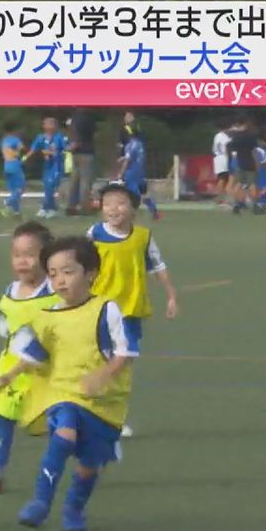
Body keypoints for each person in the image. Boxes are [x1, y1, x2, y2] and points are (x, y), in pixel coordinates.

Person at [0, 236, 136, 531]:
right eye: (53, 273)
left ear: (91, 273)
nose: (59, 280)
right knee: (64, 436)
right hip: (62, 393)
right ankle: (40, 502)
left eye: (68, 272)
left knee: (88, 465)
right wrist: (11, 373)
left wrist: (103, 375)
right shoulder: (48, 316)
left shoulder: (106, 310)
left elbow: (126, 352)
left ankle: (73, 508)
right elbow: (37, 352)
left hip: (102, 401)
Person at [0, 222, 58, 494]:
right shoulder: (11, 289)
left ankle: (89, 454)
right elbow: (8, 318)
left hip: (45, 368)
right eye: (17, 254)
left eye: (30, 254)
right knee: (4, 414)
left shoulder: (54, 293)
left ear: (46, 257)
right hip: (12, 364)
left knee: (55, 423)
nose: (22, 260)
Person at [87, 182, 179, 438]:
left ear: (133, 208)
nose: (113, 209)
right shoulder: (94, 233)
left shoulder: (143, 237)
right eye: (107, 204)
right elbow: (78, 263)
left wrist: (171, 295)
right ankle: (92, 411)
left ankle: (116, 417)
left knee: (123, 363)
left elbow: (158, 266)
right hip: (99, 310)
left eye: (120, 203)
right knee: (98, 359)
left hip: (130, 311)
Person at [116, 129, 160, 220]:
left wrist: (121, 173)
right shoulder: (140, 144)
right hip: (140, 173)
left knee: (132, 196)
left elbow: (128, 161)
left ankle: (131, 215)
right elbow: (133, 156)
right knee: (144, 194)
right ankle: (154, 210)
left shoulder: (129, 145)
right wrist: (123, 158)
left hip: (131, 174)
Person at [28, 116, 67, 219]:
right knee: (47, 187)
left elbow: (65, 149)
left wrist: (53, 153)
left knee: (50, 186)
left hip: (56, 165)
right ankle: (52, 208)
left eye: (51, 124)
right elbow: (34, 148)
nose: (49, 126)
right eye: (46, 124)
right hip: (47, 166)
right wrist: (27, 157)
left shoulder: (59, 137)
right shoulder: (41, 137)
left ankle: (45, 207)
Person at [227, 118, 263, 214]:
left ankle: (236, 204)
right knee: (252, 184)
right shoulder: (251, 136)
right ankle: (255, 205)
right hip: (250, 162)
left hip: (240, 162)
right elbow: (254, 152)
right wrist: (257, 164)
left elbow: (231, 149)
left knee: (238, 184)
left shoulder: (236, 137)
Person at [65, 109, 96, 215]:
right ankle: (84, 207)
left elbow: (72, 134)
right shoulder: (87, 118)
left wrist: (71, 146)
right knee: (85, 182)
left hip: (75, 153)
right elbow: (86, 134)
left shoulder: (73, 118)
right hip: (86, 152)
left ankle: (71, 205)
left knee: (74, 180)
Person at [0, 123, 26, 218]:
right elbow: (21, 148)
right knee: (21, 188)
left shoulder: (3, 141)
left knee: (14, 190)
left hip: (6, 165)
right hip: (15, 164)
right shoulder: (15, 139)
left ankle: (16, 212)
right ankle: (8, 201)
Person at [212, 121, 233, 208]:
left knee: (222, 178)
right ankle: (220, 199)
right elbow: (226, 149)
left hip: (218, 157)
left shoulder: (217, 136)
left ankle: (219, 199)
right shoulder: (223, 137)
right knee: (223, 179)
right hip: (224, 158)